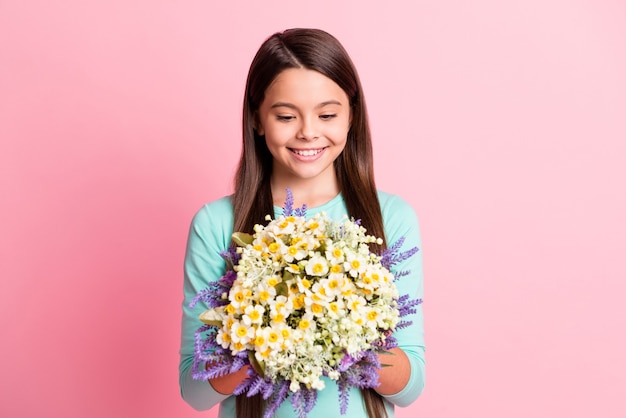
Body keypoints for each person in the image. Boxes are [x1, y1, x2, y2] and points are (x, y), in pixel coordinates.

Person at [179, 28, 425, 418]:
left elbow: (411, 387)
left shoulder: (392, 218)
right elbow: (195, 393)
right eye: (286, 116)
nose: (308, 131)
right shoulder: (216, 224)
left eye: (327, 114)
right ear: (258, 119)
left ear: (351, 116)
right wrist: (260, 328)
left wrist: (344, 324)